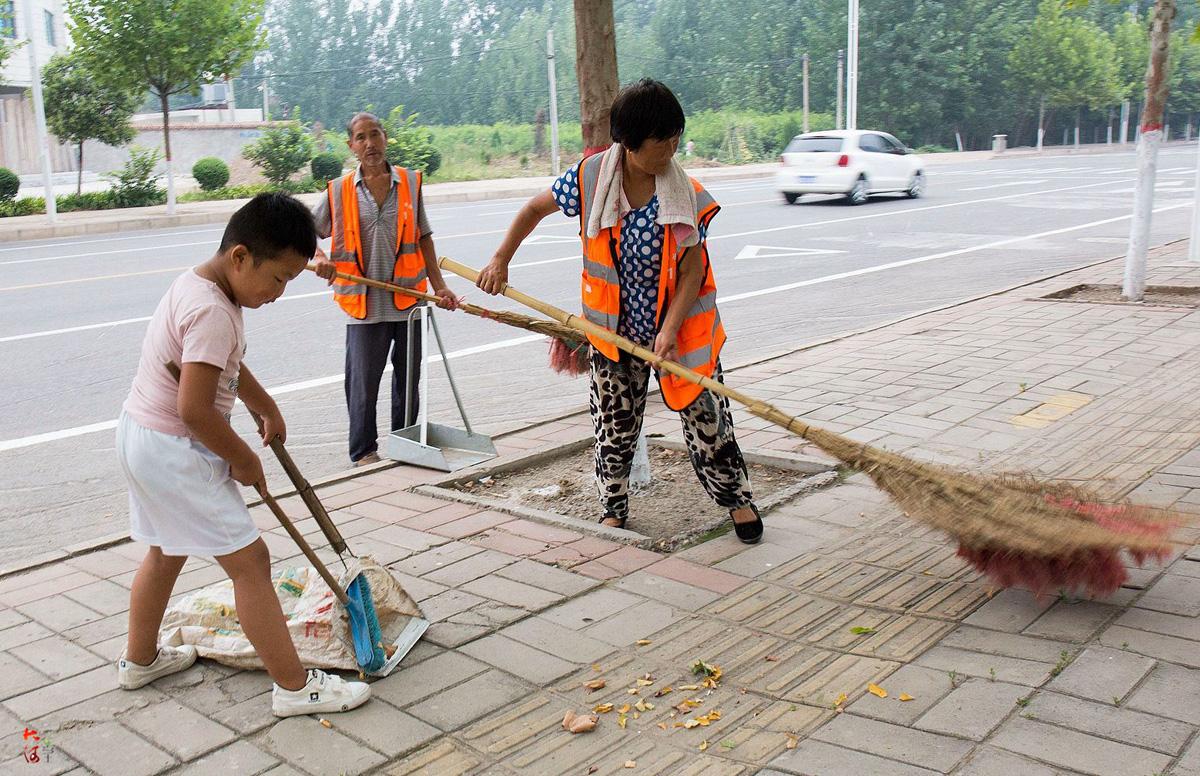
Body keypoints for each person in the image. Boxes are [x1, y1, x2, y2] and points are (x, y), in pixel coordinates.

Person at [116, 193, 371, 717]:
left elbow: (218, 365)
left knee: (167, 550)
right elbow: (194, 408)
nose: (279, 293)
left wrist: (262, 404)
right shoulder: (213, 310)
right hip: (178, 447)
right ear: (240, 257)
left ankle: (140, 662)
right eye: (277, 279)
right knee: (251, 561)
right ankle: (296, 689)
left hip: (142, 436)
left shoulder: (202, 286)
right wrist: (242, 458)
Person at [477, 79, 763, 544]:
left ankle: (737, 500)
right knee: (614, 424)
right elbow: (533, 209)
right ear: (629, 144)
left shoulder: (684, 191)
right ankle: (613, 506)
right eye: (662, 140)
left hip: (680, 332)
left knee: (709, 422)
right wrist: (500, 258)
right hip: (612, 332)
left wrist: (668, 332)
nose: (673, 147)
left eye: (676, 136)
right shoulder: (591, 178)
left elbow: (692, 272)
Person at [312, 112, 460, 466]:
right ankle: (364, 451)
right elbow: (308, 230)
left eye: (374, 134)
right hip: (362, 303)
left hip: (409, 301)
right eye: (360, 137)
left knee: (408, 383)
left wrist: (441, 288)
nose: (369, 143)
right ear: (351, 146)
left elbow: (423, 237)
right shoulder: (338, 190)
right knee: (363, 385)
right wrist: (319, 256)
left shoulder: (409, 183)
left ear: (385, 138)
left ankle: (405, 444)